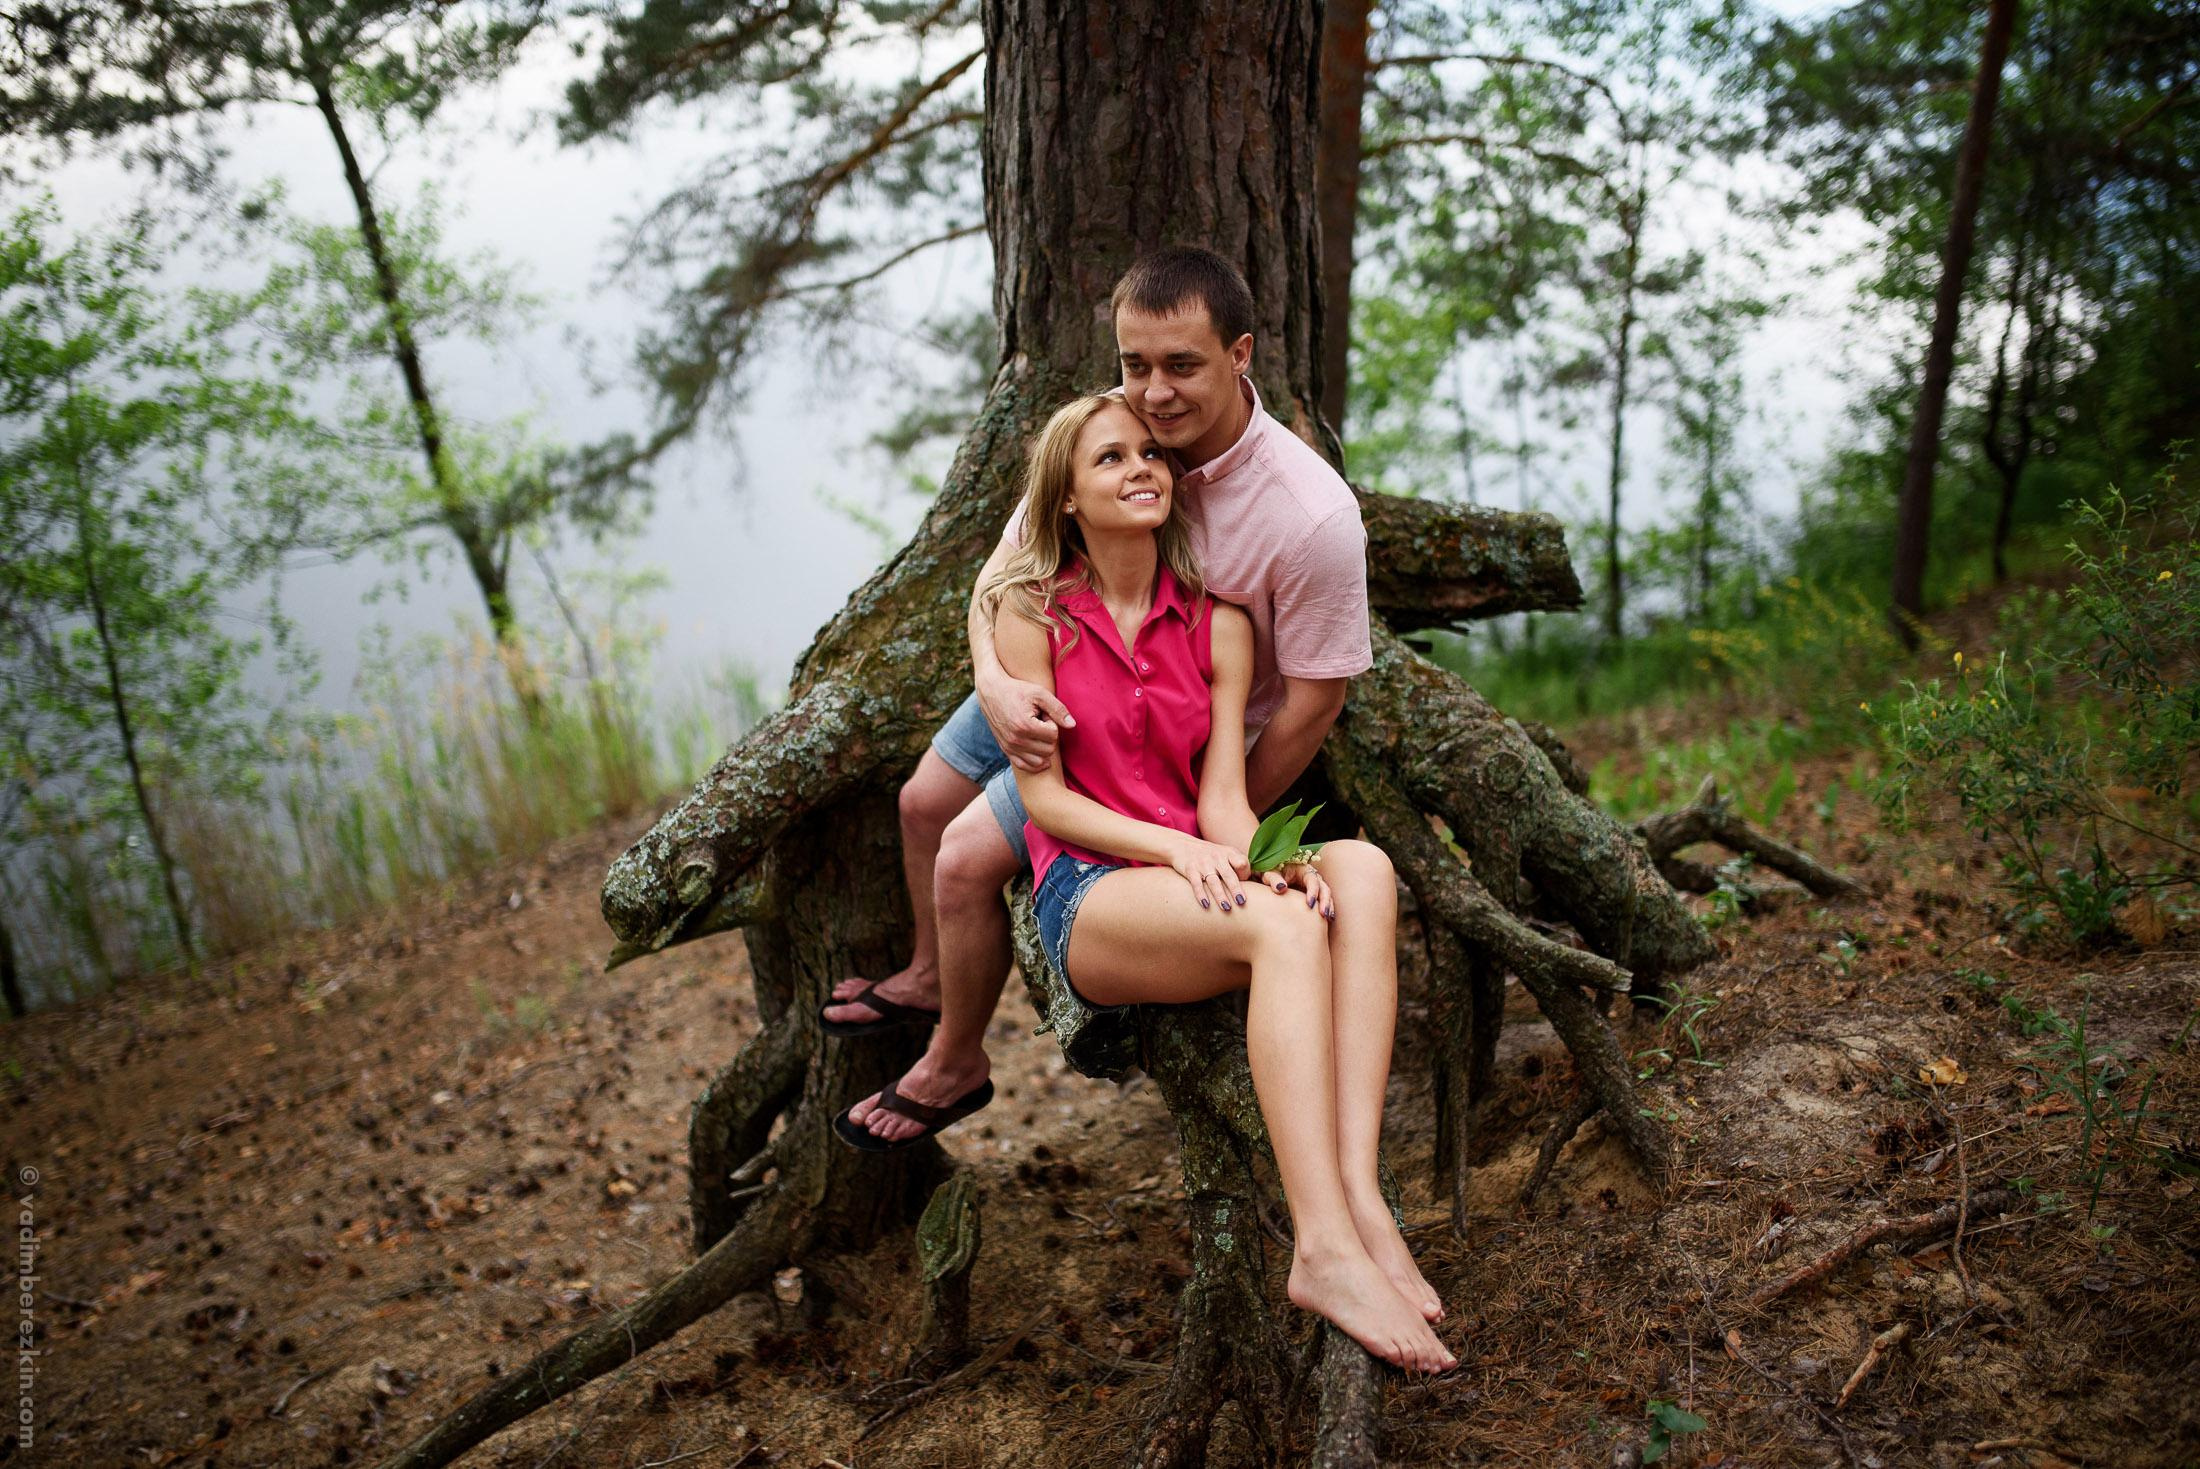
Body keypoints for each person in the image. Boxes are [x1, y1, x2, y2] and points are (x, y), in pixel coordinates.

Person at [837, 392, 1453, 1373]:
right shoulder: (1029, 613)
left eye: (1149, 456)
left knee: (1363, 869)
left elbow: (1220, 802)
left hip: (1194, 878)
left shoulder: (1219, 627)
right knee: (1284, 932)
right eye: (1110, 458)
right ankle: (1321, 1244)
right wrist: (1178, 853)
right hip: (1093, 893)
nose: (1141, 468)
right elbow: (1042, 801)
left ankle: (1362, 1203)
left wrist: (1265, 855)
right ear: (1067, 499)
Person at [825, 249, 1375, 1141]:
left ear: (1240, 356)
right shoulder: (1106, 429)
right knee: (923, 801)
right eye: (1135, 365)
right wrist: (995, 684)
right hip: (1058, 654)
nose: (1154, 394)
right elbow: (1000, 579)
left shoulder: (1304, 513)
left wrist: (1202, 824)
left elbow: (1315, 701)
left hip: (1165, 721)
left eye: (1181, 366)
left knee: (966, 855)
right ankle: (929, 973)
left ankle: (955, 1058)